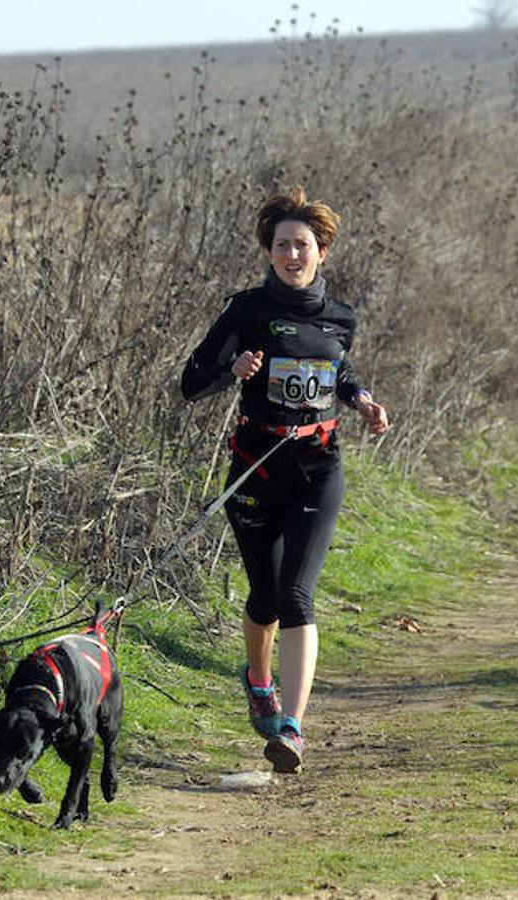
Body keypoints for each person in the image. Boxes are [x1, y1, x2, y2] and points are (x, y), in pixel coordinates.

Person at [180, 187, 389, 772]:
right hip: (255, 465)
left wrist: (363, 400)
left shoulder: (340, 316)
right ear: (268, 253)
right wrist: (232, 369)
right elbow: (190, 382)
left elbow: (338, 370)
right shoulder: (244, 311)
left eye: (302, 245)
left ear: (322, 251)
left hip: (317, 467)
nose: (292, 255)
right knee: (266, 598)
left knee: (298, 595)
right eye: (281, 246)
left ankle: (292, 729)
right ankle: (257, 678)